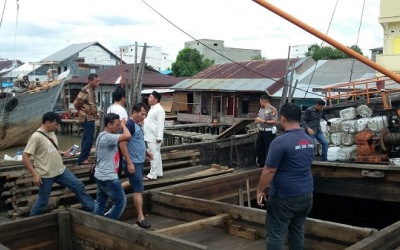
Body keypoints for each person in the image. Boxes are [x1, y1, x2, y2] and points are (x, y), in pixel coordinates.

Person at [256, 103, 314, 250]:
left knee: (276, 234)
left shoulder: (280, 142)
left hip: (284, 197)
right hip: (306, 194)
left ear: (282, 119)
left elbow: (269, 170)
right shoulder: (308, 140)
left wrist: (260, 191)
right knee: (297, 230)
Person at [23, 112, 95, 216]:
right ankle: (30, 220)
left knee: (78, 187)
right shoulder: (36, 137)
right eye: (55, 124)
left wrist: (62, 153)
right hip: (46, 174)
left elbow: (50, 148)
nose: (57, 127)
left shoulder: (51, 133)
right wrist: (34, 174)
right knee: (43, 202)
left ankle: (92, 209)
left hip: (60, 170)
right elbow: (25, 156)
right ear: (48, 122)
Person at [119, 103, 153, 228]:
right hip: (133, 162)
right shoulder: (130, 125)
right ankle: (140, 217)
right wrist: (129, 163)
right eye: (142, 114)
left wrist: (145, 151)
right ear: (134, 112)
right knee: (138, 189)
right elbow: (122, 144)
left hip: (138, 161)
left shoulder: (137, 125)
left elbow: (137, 141)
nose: (143, 117)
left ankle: (116, 189)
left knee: (134, 182)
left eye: (145, 114)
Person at [93, 113, 131, 220]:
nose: (118, 127)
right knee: (120, 202)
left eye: (119, 125)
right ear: (109, 125)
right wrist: (124, 125)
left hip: (100, 174)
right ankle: (110, 222)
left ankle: (96, 222)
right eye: (117, 124)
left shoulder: (101, 135)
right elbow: (127, 136)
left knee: (100, 202)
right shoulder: (107, 137)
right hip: (108, 176)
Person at [73, 73, 100, 165]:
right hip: (86, 117)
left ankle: (84, 157)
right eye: (96, 81)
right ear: (90, 81)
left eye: (98, 81)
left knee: (86, 138)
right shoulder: (85, 90)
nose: (98, 83)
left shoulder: (92, 90)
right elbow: (76, 103)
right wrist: (82, 111)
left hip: (91, 117)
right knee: (89, 138)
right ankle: (82, 159)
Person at [143, 91, 165, 181]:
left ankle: (152, 175)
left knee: (153, 155)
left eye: (151, 97)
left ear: (156, 99)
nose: (149, 98)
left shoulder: (159, 109)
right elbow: (150, 121)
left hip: (154, 136)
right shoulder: (152, 108)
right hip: (150, 135)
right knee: (157, 154)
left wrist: (159, 137)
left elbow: (160, 124)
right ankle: (159, 172)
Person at [255, 94, 278, 167]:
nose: (260, 103)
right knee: (259, 147)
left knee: (268, 148)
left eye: (260, 101)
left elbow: (274, 121)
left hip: (269, 131)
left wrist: (263, 121)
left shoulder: (272, 109)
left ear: (262, 101)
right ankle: (261, 163)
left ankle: (269, 164)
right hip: (261, 130)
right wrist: (258, 120)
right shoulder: (261, 109)